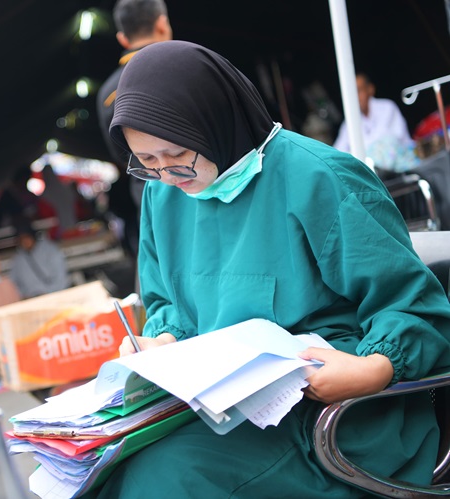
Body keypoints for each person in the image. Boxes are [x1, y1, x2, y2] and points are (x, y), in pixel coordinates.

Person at [88, 40, 450, 498]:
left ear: (215, 120)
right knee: (105, 465)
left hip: (330, 415)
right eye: (147, 163)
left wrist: (375, 368)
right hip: (222, 409)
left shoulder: (319, 177)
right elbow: (168, 302)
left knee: (165, 479)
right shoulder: (164, 196)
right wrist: (162, 340)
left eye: (178, 156)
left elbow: (414, 304)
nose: (168, 176)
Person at [97, 0, 173, 259]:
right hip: (205, 186)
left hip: (149, 195)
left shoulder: (107, 93)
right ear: (162, 24)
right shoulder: (186, 67)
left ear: (122, 37)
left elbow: (119, 153)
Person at [332, 72, 413, 156]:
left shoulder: (387, 107)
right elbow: (337, 151)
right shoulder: (349, 123)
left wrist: (354, 152)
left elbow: (383, 142)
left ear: (370, 89)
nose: (355, 96)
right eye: (351, 93)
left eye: (359, 90)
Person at [9, 224, 70, 299]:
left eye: (27, 237)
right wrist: (24, 295)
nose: (24, 241)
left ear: (33, 236)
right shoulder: (18, 260)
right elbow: (12, 283)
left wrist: (49, 293)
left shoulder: (50, 250)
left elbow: (61, 278)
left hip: (55, 295)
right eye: (21, 239)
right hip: (31, 300)